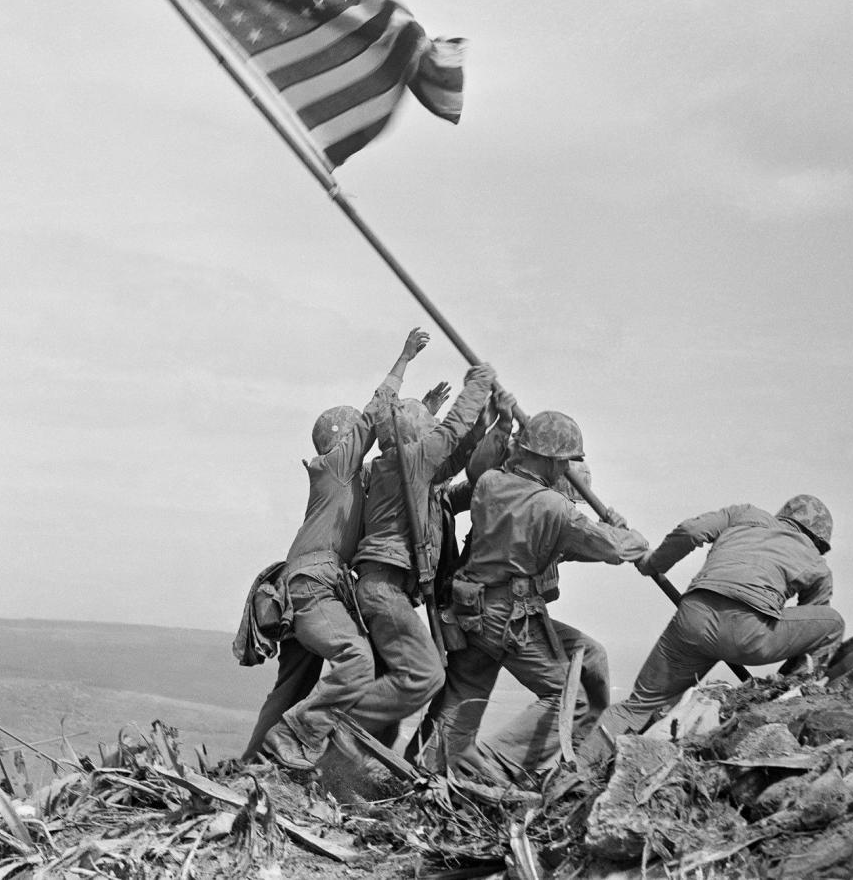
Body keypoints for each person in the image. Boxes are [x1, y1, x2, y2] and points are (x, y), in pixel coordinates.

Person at [428, 405, 650, 781]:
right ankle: (491, 767)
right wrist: (627, 533)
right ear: (551, 461)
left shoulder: (490, 485)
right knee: (570, 700)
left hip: (471, 609)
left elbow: (565, 547)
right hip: (509, 616)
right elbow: (613, 548)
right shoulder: (554, 508)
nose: (565, 470)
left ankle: (432, 770)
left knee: (465, 694)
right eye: (565, 462)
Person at [247, 328, 431, 770]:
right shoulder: (335, 468)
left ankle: (251, 764)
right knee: (356, 659)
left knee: (292, 685)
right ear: (343, 440)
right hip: (313, 588)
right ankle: (297, 739)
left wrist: (426, 414)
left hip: (300, 588)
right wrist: (404, 359)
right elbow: (374, 415)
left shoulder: (346, 481)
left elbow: (397, 456)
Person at [591, 494, 844, 743]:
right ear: (819, 540)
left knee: (637, 707)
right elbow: (808, 641)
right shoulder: (816, 564)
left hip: (693, 619)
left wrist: (653, 563)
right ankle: (791, 696)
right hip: (749, 635)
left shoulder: (746, 514)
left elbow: (692, 531)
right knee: (833, 623)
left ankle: (574, 770)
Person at [346, 360, 497, 746]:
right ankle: (334, 725)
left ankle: (349, 758)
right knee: (427, 675)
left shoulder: (403, 467)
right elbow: (451, 433)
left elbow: (456, 456)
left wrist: (489, 422)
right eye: (427, 429)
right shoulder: (409, 460)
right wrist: (479, 383)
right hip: (384, 588)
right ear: (416, 434)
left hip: (387, 588)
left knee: (392, 694)